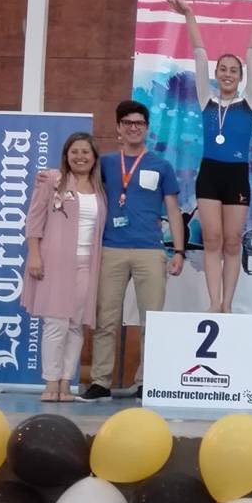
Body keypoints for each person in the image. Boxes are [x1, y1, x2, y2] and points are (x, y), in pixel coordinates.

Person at [165, 0, 252, 311]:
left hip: (236, 176)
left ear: (241, 77)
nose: (227, 74)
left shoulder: (249, 101)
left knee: (232, 241)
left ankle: (228, 303)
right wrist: (189, 15)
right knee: (212, 239)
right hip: (210, 174)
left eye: (233, 70)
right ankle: (214, 302)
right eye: (223, 69)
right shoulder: (207, 99)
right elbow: (199, 54)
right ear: (216, 75)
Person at [79, 100, 185, 400]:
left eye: (139, 123)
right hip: (111, 248)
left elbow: (173, 211)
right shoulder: (105, 164)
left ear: (147, 128)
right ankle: (100, 381)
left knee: (152, 320)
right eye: (128, 123)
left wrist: (178, 251)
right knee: (106, 318)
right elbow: (79, 185)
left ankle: (146, 381)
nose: (134, 128)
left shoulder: (161, 166)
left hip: (150, 251)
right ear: (118, 127)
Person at [22, 133, 107, 402]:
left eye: (85, 152)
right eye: (75, 152)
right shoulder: (52, 180)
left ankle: (66, 383)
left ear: (94, 157)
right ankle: (50, 382)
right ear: (66, 155)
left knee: (75, 325)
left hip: (87, 265)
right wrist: (34, 255)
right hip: (55, 263)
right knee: (55, 322)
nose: (80, 157)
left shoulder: (100, 188)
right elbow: (34, 219)